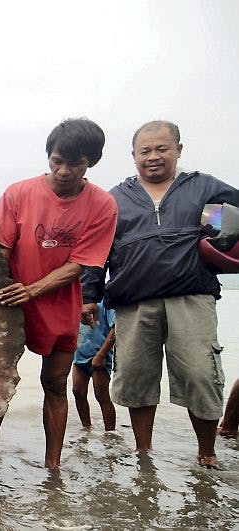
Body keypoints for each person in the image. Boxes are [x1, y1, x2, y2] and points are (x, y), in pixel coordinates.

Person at [83, 120, 239, 469]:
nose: (153, 157)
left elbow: (234, 217)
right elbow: (96, 249)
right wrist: (88, 295)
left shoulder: (202, 186)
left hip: (191, 296)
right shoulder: (115, 198)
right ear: (134, 156)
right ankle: (144, 452)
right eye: (145, 151)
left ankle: (207, 452)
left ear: (178, 150)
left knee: (201, 374)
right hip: (133, 300)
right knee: (137, 378)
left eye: (162, 149)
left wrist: (219, 238)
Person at [0, 118, 118, 468]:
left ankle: (52, 466)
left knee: (55, 383)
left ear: (91, 161)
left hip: (58, 301)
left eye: (74, 163)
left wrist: (33, 291)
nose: (63, 170)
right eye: (57, 160)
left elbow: (80, 264)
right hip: (10, 299)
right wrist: (6, 290)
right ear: (49, 156)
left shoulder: (103, 205)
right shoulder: (18, 193)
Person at [71, 268, 116, 431]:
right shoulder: (77, 299)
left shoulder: (105, 300)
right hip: (79, 354)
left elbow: (115, 328)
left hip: (99, 356)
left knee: (102, 396)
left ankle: (110, 433)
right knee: (78, 392)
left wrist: (102, 354)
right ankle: (86, 428)